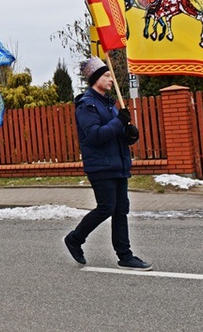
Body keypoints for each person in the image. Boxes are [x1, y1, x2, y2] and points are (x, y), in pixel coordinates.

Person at [63, 57, 152, 271]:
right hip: (100, 166)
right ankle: (75, 239)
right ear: (95, 79)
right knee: (106, 208)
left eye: (109, 75)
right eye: (106, 75)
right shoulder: (87, 105)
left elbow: (115, 133)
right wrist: (118, 122)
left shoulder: (109, 104)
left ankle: (125, 255)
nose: (111, 79)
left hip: (118, 164)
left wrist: (129, 135)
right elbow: (95, 135)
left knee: (121, 209)